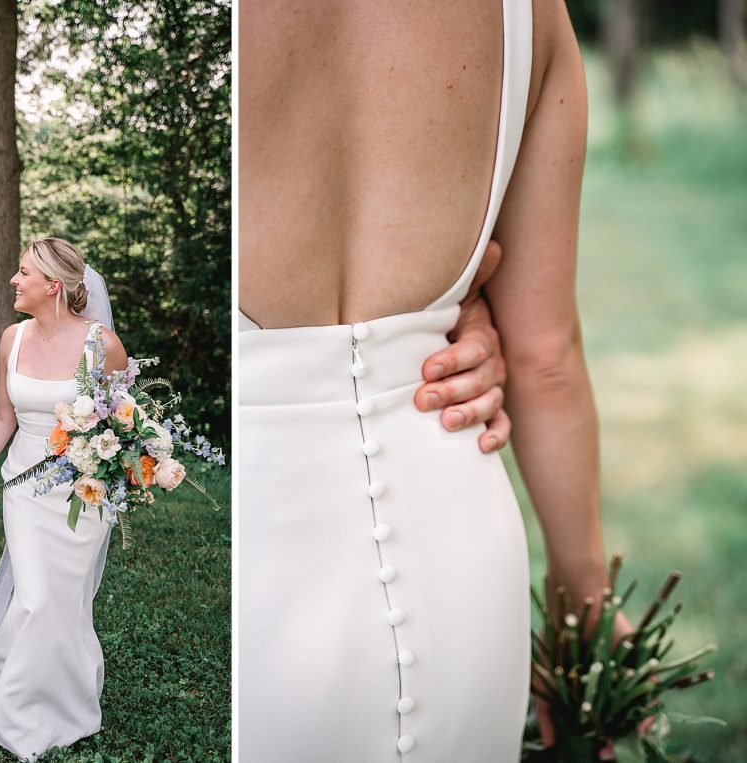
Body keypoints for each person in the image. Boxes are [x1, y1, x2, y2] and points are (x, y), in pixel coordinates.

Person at [239, 0, 627, 760]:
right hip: (462, 565)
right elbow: (547, 355)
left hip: (263, 570)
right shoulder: (533, 14)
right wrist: (584, 601)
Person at [0, 238, 127, 760]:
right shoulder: (12, 338)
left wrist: (128, 463)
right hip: (26, 489)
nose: (13, 279)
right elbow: (4, 419)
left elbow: (126, 424)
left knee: (64, 600)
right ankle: (21, 710)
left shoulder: (104, 345)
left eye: (23, 272)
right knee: (33, 595)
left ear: (53, 285)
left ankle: (59, 699)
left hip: (83, 491)